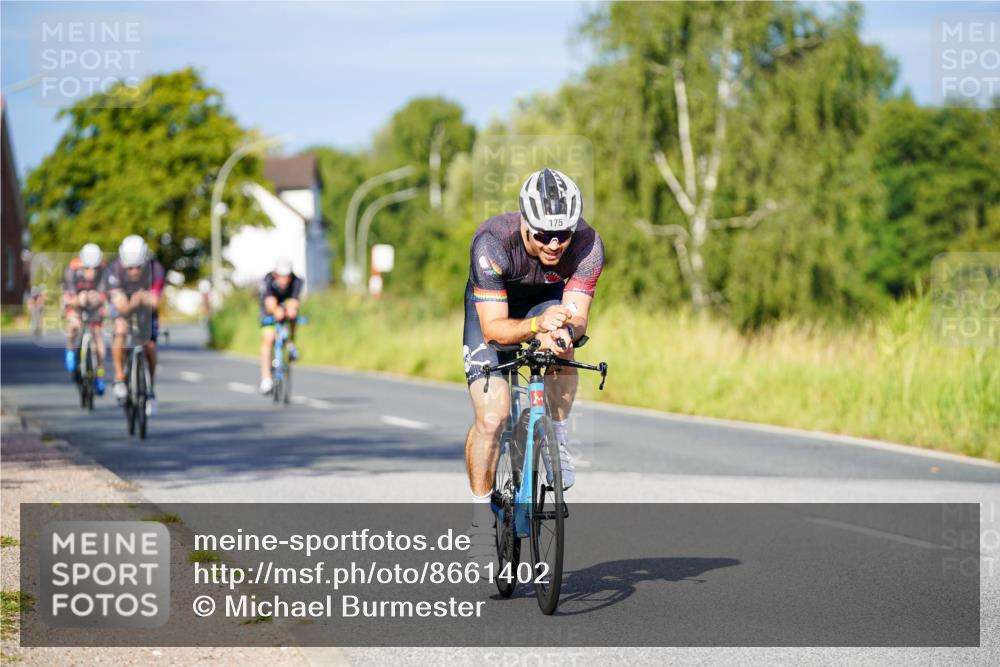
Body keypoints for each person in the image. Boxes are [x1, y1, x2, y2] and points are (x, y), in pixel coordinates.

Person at [462, 167, 604, 557]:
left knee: (563, 345)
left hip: (547, 301)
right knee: (493, 418)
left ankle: (556, 434)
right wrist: (534, 325)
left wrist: (560, 331)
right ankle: (479, 519)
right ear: (525, 222)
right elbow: (494, 331)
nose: (555, 244)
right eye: (542, 234)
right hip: (494, 312)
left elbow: (577, 318)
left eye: (563, 234)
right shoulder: (491, 244)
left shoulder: (588, 247)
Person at [107, 235, 165, 415]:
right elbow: (122, 307)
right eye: (129, 267)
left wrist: (142, 299)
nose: (133, 272)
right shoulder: (114, 269)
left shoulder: (156, 269)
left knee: (150, 346)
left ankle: (151, 390)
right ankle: (119, 377)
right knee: (121, 329)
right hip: (125, 307)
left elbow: (155, 303)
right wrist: (138, 299)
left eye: (138, 267)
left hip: (146, 311)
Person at [62, 243, 108, 394]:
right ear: (81, 265)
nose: (91, 272)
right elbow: (69, 298)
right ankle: (70, 350)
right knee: (74, 324)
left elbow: (105, 293)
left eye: (94, 268)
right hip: (76, 300)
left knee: (97, 336)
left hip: (94, 304)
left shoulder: (103, 270)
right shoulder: (72, 270)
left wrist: (99, 299)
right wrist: (78, 300)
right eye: (87, 268)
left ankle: (100, 373)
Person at [258, 257, 303, 394]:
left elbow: (294, 301)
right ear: (276, 275)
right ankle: (266, 379)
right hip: (269, 307)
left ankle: (290, 342)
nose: (284, 280)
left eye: (287, 277)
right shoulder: (269, 280)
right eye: (281, 277)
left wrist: (291, 310)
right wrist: (276, 310)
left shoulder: (296, 281)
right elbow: (270, 302)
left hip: (286, 303)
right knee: (268, 338)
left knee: (293, 314)